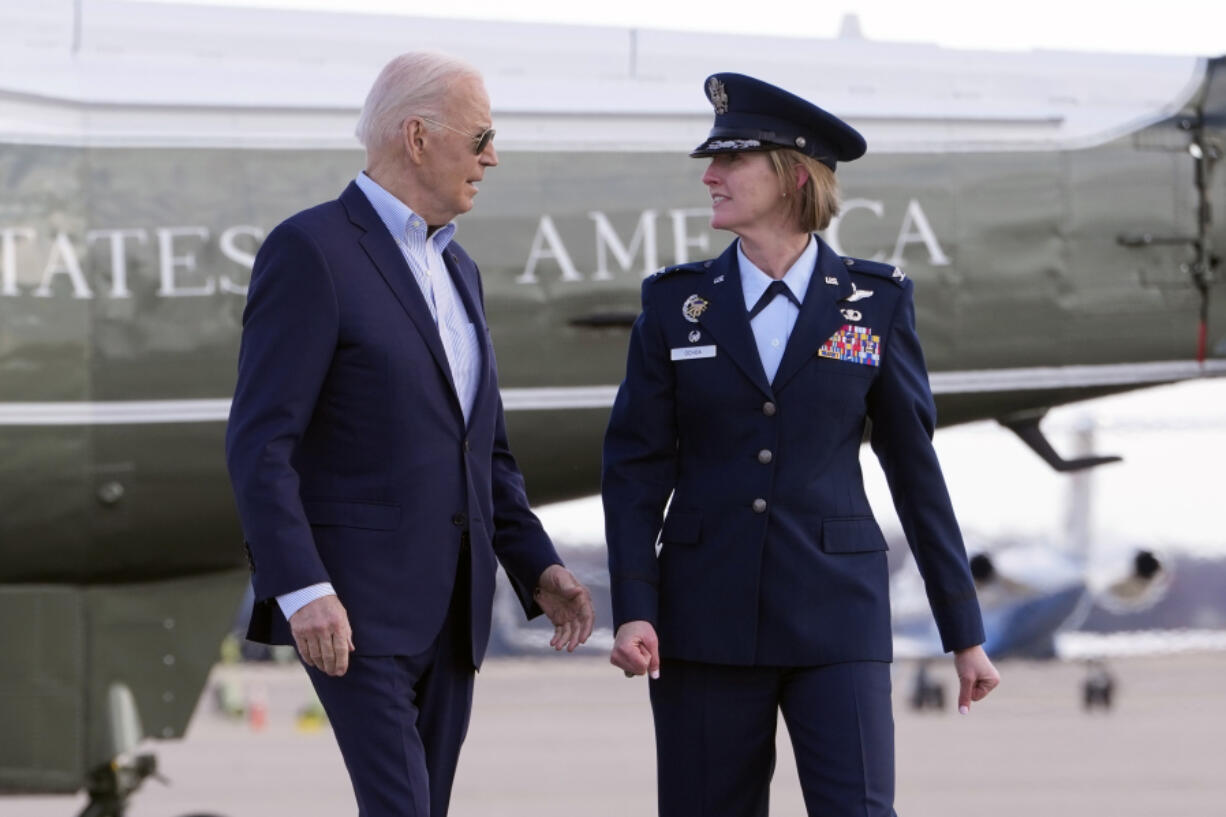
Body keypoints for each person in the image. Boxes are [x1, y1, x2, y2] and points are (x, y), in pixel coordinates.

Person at [603, 72, 999, 817]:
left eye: (731, 160)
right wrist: (633, 607)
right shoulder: (673, 303)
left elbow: (914, 469)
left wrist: (963, 631)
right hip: (702, 618)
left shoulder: (877, 303)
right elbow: (634, 467)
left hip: (836, 619)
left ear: (790, 173)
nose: (708, 174)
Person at [225, 51, 595, 817]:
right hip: (352, 613)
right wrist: (302, 588)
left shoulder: (462, 272)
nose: (493, 156)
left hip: (454, 611)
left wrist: (538, 567)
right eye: (482, 135)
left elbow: (480, 450)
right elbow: (261, 443)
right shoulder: (313, 251)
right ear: (418, 136)